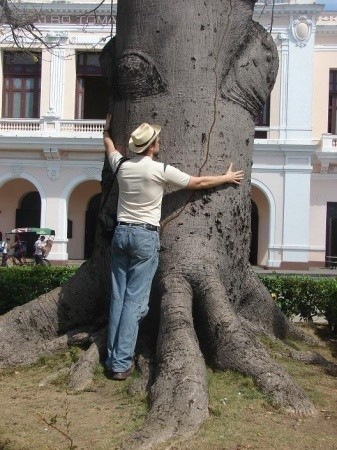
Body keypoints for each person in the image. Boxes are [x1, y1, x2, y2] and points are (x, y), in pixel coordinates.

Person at [103, 114, 244, 380]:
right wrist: (225, 178)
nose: (160, 142)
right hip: (144, 237)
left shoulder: (121, 165)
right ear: (152, 146)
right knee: (134, 302)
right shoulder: (159, 170)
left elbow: (110, 147)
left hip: (121, 235)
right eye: (157, 141)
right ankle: (121, 364)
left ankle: (113, 358)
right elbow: (196, 183)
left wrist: (107, 130)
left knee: (119, 299)